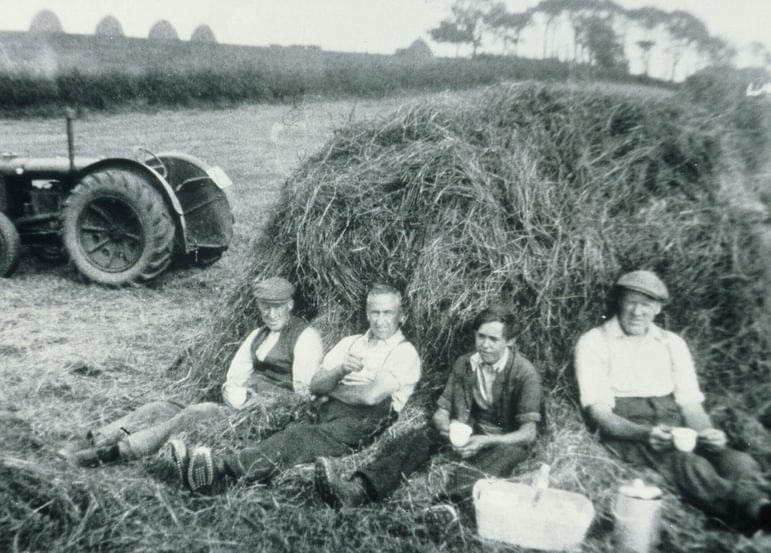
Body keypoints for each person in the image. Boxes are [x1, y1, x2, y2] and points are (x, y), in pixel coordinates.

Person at [169, 283, 422, 493]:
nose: (380, 321)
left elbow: (370, 396)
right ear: (367, 314)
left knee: (298, 438)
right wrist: (341, 371)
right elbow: (314, 384)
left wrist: (331, 390)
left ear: (402, 316)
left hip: (363, 420)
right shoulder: (351, 343)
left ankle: (220, 468)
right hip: (326, 407)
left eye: (388, 313)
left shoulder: (404, 353)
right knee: (277, 427)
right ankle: (210, 476)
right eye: (375, 313)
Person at [574, 269, 771, 531]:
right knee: (690, 465)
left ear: (657, 309)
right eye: (631, 302)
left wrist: (708, 434)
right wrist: (646, 433)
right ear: (619, 301)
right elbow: (600, 414)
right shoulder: (593, 341)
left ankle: (760, 502)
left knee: (739, 462)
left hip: (674, 422)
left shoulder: (672, 343)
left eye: (646, 305)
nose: (637, 312)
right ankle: (753, 511)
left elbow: (690, 404)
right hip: (628, 427)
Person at [59, 276, 323, 467]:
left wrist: (255, 406)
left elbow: (301, 396)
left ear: (290, 305)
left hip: (262, 422)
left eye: (278, 306)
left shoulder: (305, 338)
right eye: (265, 305)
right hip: (236, 407)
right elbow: (233, 379)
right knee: (161, 407)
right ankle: (97, 439)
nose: (271, 313)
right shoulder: (257, 335)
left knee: (193, 414)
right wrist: (236, 397)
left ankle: (114, 453)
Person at [313, 305, 542, 519]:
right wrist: (444, 425)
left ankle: (449, 509)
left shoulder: (524, 374)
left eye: (494, 339)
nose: (485, 345)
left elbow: (528, 433)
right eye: (481, 337)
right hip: (467, 429)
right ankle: (357, 489)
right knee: (417, 437)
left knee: (496, 459)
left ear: (510, 341)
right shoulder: (465, 364)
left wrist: (485, 441)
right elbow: (443, 410)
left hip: (501, 440)